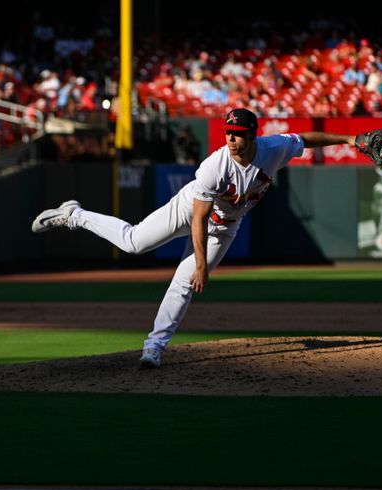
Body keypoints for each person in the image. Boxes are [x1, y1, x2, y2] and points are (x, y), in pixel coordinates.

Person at [31, 108, 361, 368]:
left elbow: (306, 138)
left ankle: (153, 348)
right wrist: (202, 265)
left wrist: (351, 140)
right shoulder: (213, 167)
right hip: (190, 209)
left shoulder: (273, 148)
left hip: (226, 225)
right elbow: (199, 219)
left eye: (238, 134)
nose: (231, 139)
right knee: (134, 243)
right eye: (228, 133)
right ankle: (75, 215)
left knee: (182, 283)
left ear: (253, 136)